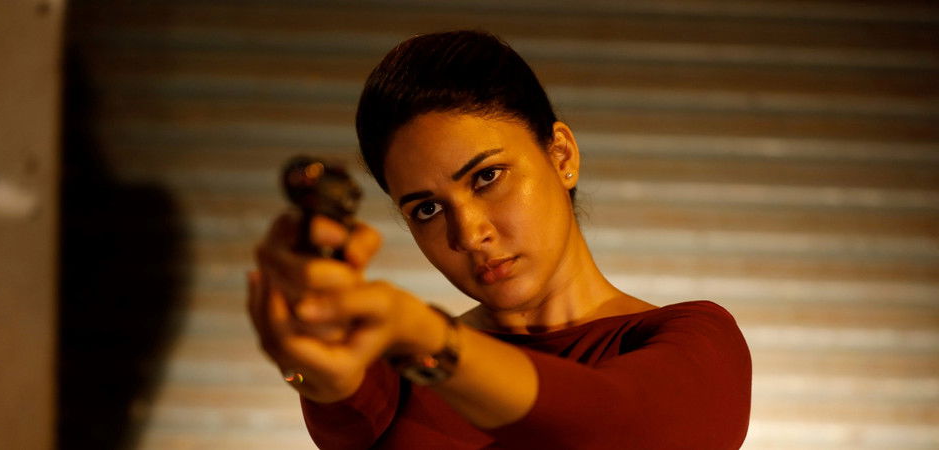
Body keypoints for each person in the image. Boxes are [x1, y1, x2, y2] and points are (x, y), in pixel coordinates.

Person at [248, 30, 751, 449]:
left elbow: (617, 425)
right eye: (427, 209)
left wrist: (433, 343)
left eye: (487, 177)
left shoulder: (698, 342)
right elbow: (338, 405)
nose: (469, 234)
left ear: (561, 156)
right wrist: (305, 354)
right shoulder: (394, 371)